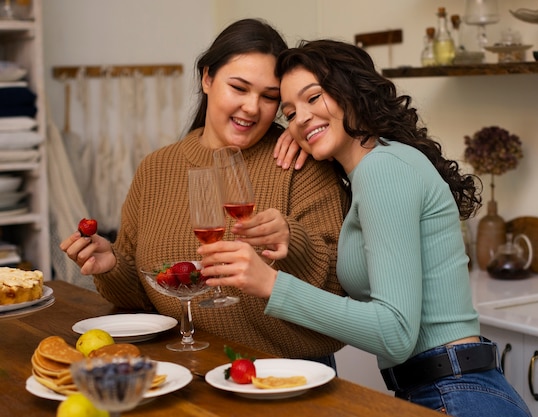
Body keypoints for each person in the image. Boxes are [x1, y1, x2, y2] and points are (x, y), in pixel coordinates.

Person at [197, 39, 532, 417]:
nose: (301, 118)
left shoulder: (381, 170)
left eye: (314, 97)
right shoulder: (379, 164)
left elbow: (395, 332)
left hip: (455, 394)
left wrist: (270, 284)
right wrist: (302, 132)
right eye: (289, 113)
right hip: (448, 388)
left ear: (351, 91)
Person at [59, 20, 349, 364]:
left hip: (286, 374)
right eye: (239, 88)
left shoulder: (301, 162)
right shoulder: (156, 168)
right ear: (207, 78)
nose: (253, 108)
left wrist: (291, 241)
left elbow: (338, 292)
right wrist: (110, 265)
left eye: (269, 97)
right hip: (187, 365)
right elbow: (145, 296)